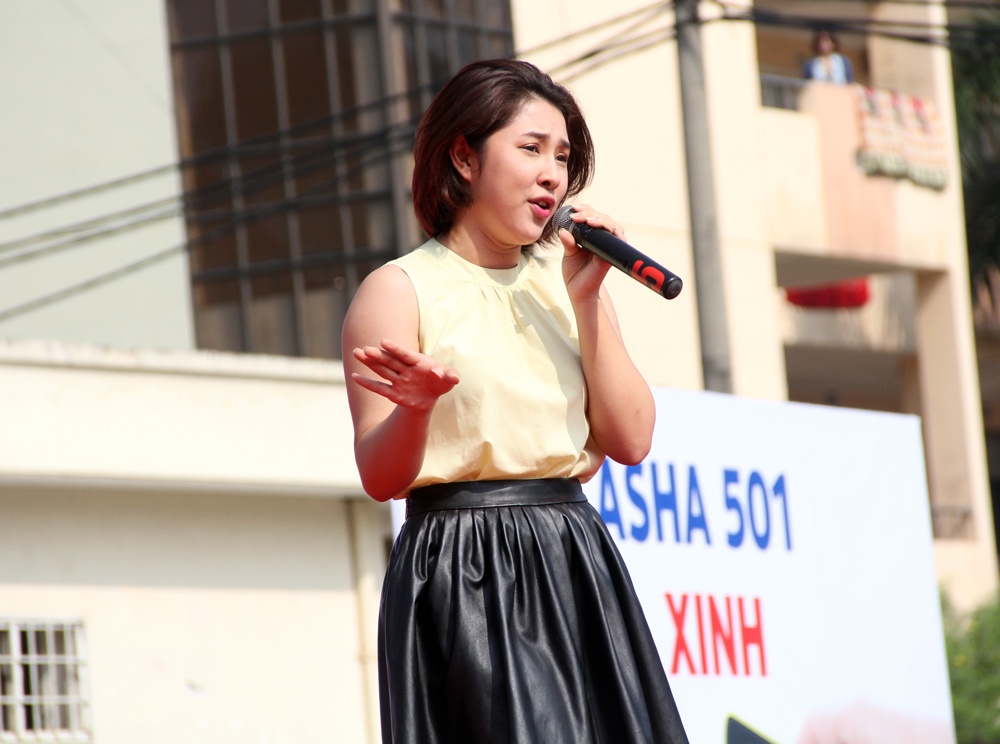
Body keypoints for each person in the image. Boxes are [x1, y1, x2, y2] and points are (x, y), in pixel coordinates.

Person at [342, 58, 689, 744]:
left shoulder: (571, 276)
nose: (552, 174)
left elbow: (632, 441)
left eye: (562, 156)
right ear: (464, 158)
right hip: (464, 565)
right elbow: (381, 477)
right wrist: (417, 408)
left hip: (572, 551)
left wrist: (586, 301)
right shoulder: (400, 289)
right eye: (531, 148)